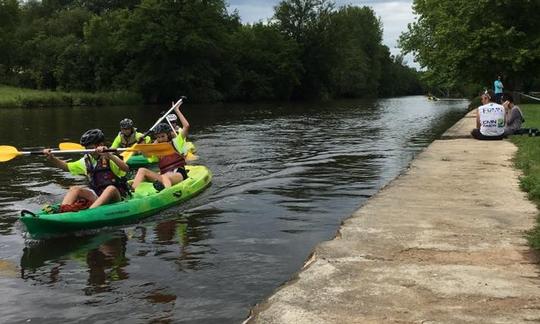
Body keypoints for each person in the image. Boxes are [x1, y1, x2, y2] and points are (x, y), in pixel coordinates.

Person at [43, 129, 131, 211]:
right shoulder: (85, 161)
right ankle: (63, 211)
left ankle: (90, 212)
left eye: (90, 147)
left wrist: (109, 155)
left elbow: (126, 169)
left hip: (117, 196)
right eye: (86, 148)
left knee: (110, 189)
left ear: (100, 145)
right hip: (98, 196)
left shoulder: (110, 158)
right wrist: (52, 158)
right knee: (75, 189)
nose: (88, 150)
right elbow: (66, 167)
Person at [131, 104, 190, 191]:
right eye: (158, 137)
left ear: (168, 135)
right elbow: (147, 156)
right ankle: (132, 191)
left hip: (178, 173)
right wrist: (142, 144)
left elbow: (186, 126)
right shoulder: (157, 148)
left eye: (162, 136)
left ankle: (167, 193)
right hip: (163, 175)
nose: (160, 139)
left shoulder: (176, 142)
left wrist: (177, 110)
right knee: (142, 170)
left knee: (165, 177)